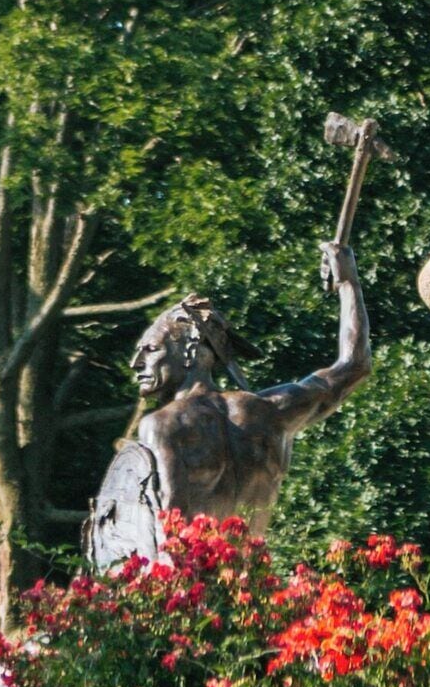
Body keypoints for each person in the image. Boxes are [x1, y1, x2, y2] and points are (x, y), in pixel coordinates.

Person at [84, 243, 372, 568]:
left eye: (150, 349)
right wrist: (350, 284)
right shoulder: (272, 411)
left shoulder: (164, 425)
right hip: (252, 589)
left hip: (192, 596)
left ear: (191, 350)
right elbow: (354, 365)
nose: (136, 363)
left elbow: (172, 525)